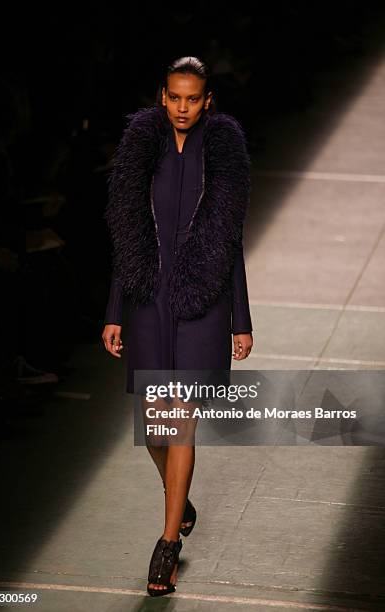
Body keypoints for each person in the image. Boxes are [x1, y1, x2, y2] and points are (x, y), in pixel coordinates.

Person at [101, 56, 254, 597]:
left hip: (201, 301)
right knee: (153, 424)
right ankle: (178, 495)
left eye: (193, 98)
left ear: (207, 100)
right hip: (147, 297)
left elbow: (228, 240)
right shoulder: (143, 147)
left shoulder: (224, 153)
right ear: (161, 97)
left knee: (179, 421)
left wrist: (241, 318)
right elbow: (128, 231)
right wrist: (115, 310)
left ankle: (167, 546)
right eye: (175, 97)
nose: (183, 107)